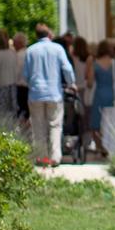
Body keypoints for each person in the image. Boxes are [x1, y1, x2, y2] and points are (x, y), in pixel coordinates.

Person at [24, 23, 76, 166]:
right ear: (49, 35)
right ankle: (55, 157)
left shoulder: (30, 50)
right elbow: (67, 68)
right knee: (55, 125)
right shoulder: (58, 49)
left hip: (36, 93)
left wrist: (32, 84)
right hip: (54, 93)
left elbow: (26, 74)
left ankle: (41, 157)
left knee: (38, 127)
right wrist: (71, 83)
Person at [86, 38, 115, 158]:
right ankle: (111, 146)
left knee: (96, 122)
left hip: (99, 94)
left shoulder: (95, 63)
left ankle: (101, 147)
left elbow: (90, 83)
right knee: (111, 121)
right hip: (112, 94)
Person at [0, 28, 18, 116]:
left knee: (0, 114)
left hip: (0, 88)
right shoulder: (13, 53)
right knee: (11, 115)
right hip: (12, 87)